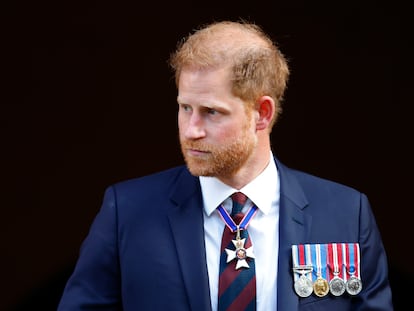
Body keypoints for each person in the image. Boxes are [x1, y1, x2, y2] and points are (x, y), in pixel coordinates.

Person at [57, 20, 393, 311]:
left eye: (211, 112)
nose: (191, 130)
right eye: (185, 107)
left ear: (262, 114)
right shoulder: (127, 212)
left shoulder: (346, 213)